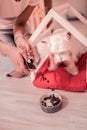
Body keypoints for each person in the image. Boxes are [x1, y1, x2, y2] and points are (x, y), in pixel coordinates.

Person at [0, 0, 40, 77]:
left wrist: (19, 37)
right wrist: (8, 50)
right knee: (17, 72)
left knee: (36, 62)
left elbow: (20, 23)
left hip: (18, 26)